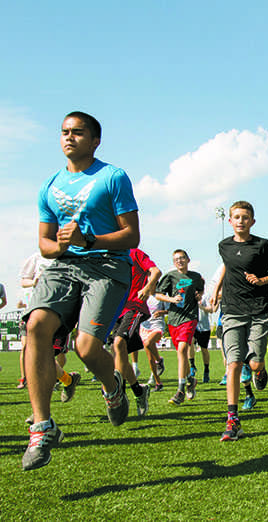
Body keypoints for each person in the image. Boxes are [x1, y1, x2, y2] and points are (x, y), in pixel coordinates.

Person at [22, 111, 139, 470]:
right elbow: (44, 243)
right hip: (64, 266)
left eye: (78, 132)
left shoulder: (112, 177)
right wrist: (59, 246)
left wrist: (88, 238)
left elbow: (131, 236)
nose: (69, 138)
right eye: (64, 132)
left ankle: (113, 387)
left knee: (86, 347)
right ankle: (43, 427)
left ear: (95, 140)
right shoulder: (49, 185)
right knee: (36, 326)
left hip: (107, 266)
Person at [210, 200, 268, 441]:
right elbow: (226, 268)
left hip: (259, 309)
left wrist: (262, 281)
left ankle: (260, 371)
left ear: (252, 221)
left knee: (254, 364)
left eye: (245, 217)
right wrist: (216, 291)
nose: (240, 221)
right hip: (231, 309)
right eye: (236, 217)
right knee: (233, 363)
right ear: (230, 221)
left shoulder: (262, 245)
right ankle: (233, 420)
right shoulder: (224, 246)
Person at [109, 248, 161, 417]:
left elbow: (156, 271)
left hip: (135, 306)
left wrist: (147, 287)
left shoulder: (134, 253)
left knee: (118, 343)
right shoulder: (107, 256)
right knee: (119, 353)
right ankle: (139, 391)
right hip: (116, 309)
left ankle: (120, 396)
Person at [156, 249, 204, 406]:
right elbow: (157, 294)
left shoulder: (195, 276)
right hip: (174, 319)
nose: (180, 261)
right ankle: (190, 380)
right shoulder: (170, 276)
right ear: (173, 262)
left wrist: (199, 296)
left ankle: (180, 390)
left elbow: (200, 289)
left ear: (188, 259)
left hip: (190, 317)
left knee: (183, 349)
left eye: (182, 258)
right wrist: (170, 299)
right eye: (176, 259)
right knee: (180, 354)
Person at [17, 252, 54, 389]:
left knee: (47, 349)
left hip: (53, 307)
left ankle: (61, 378)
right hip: (32, 309)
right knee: (26, 346)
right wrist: (34, 282)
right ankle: (25, 378)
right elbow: (23, 281)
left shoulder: (67, 256)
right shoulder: (36, 257)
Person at [140, 295, 167, 391]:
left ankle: (159, 361)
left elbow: (170, 310)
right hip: (144, 327)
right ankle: (158, 383)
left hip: (157, 326)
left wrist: (162, 312)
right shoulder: (143, 295)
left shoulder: (161, 296)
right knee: (150, 359)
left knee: (148, 343)